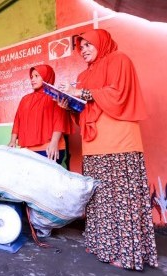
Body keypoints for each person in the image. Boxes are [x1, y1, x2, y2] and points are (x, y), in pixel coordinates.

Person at [58, 29, 157, 270]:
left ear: (101, 43)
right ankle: (103, 245)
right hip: (94, 145)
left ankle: (127, 253)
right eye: (81, 47)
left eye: (88, 45)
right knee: (100, 199)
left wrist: (81, 93)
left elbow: (118, 94)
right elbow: (85, 110)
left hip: (120, 143)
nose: (84, 50)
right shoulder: (83, 75)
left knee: (122, 200)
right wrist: (68, 104)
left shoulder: (119, 60)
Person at [8, 65, 71, 165]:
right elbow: (17, 120)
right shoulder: (25, 99)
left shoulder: (55, 96)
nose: (33, 79)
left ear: (47, 76)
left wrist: (54, 143)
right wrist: (12, 141)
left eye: (37, 76)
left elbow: (59, 120)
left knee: (48, 179)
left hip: (49, 148)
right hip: (27, 150)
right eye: (32, 77)